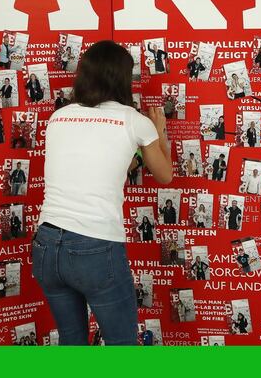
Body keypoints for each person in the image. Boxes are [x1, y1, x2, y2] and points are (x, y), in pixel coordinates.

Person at [33, 40, 173, 345]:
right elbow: (164, 176)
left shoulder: (58, 117)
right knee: (121, 344)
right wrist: (160, 130)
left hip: (45, 245)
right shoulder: (135, 121)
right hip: (94, 247)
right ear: (123, 77)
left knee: (72, 342)